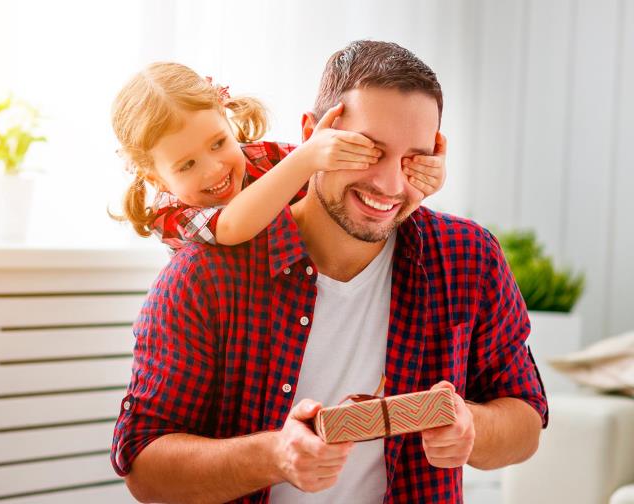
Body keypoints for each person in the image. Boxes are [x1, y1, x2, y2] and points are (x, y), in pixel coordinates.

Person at [111, 41, 548, 504]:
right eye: (368, 151)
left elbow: (526, 422)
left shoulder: (467, 257)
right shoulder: (202, 276)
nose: (390, 184)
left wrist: (471, 427)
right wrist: (274, 455)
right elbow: (145, 468)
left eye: (413, 159)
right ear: (313, 135)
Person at [110, 61, 445, 251]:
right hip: (233, 315)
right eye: (186, 165)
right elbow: (230, 227)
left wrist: (417, 173)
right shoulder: (170, 213)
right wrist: (305, 158)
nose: (214, 169)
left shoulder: (263, 159)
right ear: (155, 177)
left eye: (217, 143)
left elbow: (335, 181)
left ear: (227, 119)